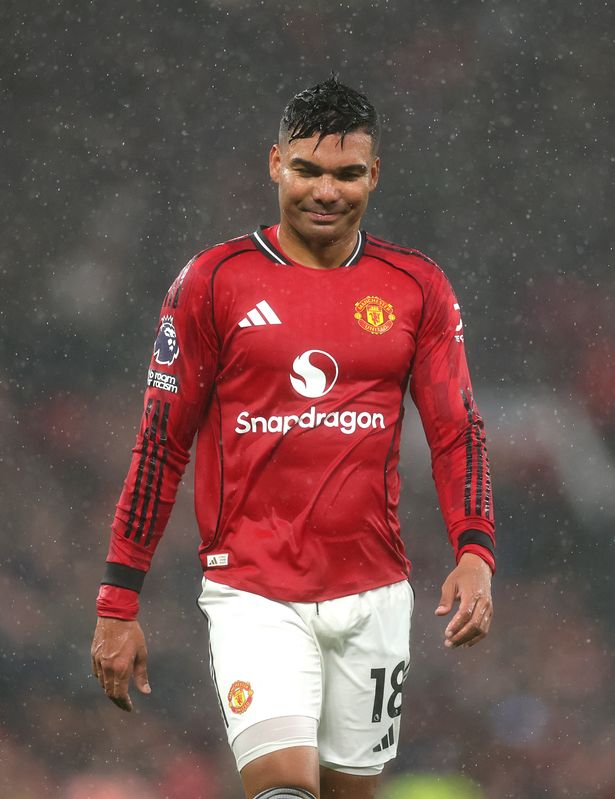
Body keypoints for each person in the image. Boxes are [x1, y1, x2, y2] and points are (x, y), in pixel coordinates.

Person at [91, 77, 495, 799]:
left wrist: (475, 549)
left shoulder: (416, 286)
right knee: (282, 789)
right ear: (274, 162)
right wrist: (118, 598)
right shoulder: (214, 282)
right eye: (307, 169)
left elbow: (455, 429)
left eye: (345, 173)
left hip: (373, 591)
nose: (326, 190)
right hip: (253, 589)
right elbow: (161, 442)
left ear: (373, 174)